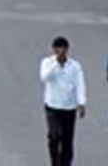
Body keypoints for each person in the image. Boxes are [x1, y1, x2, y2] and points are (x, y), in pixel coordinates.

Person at [41, 36, 86, 166]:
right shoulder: (47, 63)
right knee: (54, 136)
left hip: (69, 108)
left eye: (63, 48)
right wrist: (56, 63)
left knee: (67, 140)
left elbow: (80, 84)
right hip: (52, 107)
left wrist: (81, 103)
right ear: (54, 50)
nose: (60, 51)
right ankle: (55, 162)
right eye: (57, 48)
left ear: (67, 49)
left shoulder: (75, 66)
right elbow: (44, 77)